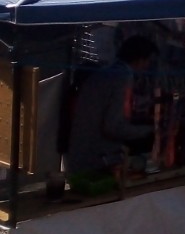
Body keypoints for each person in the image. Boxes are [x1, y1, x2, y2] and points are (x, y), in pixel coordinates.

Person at [67, 36, 158, 177]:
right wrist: (149, 131)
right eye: (148, 61)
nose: (147, 67)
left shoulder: (109, 72)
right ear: (140, 60)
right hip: (94, 163)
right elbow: (113, 127)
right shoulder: (122, 76)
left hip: (80, 159)